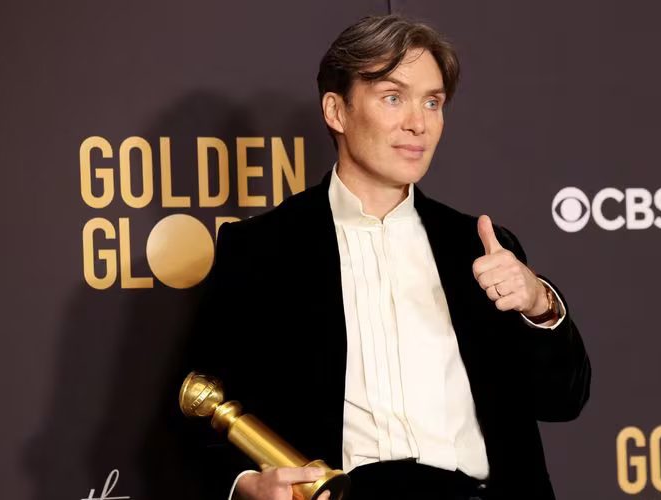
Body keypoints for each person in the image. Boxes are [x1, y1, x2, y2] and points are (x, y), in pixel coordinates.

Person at [184, 14, 590, 500]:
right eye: (393, 97)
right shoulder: (259, 249)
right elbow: (199, 408)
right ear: (337, 111)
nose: (418, 123)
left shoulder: (479, 245)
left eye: (432, 102)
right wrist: (246, 484)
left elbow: (563, 400)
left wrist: (538, 306)